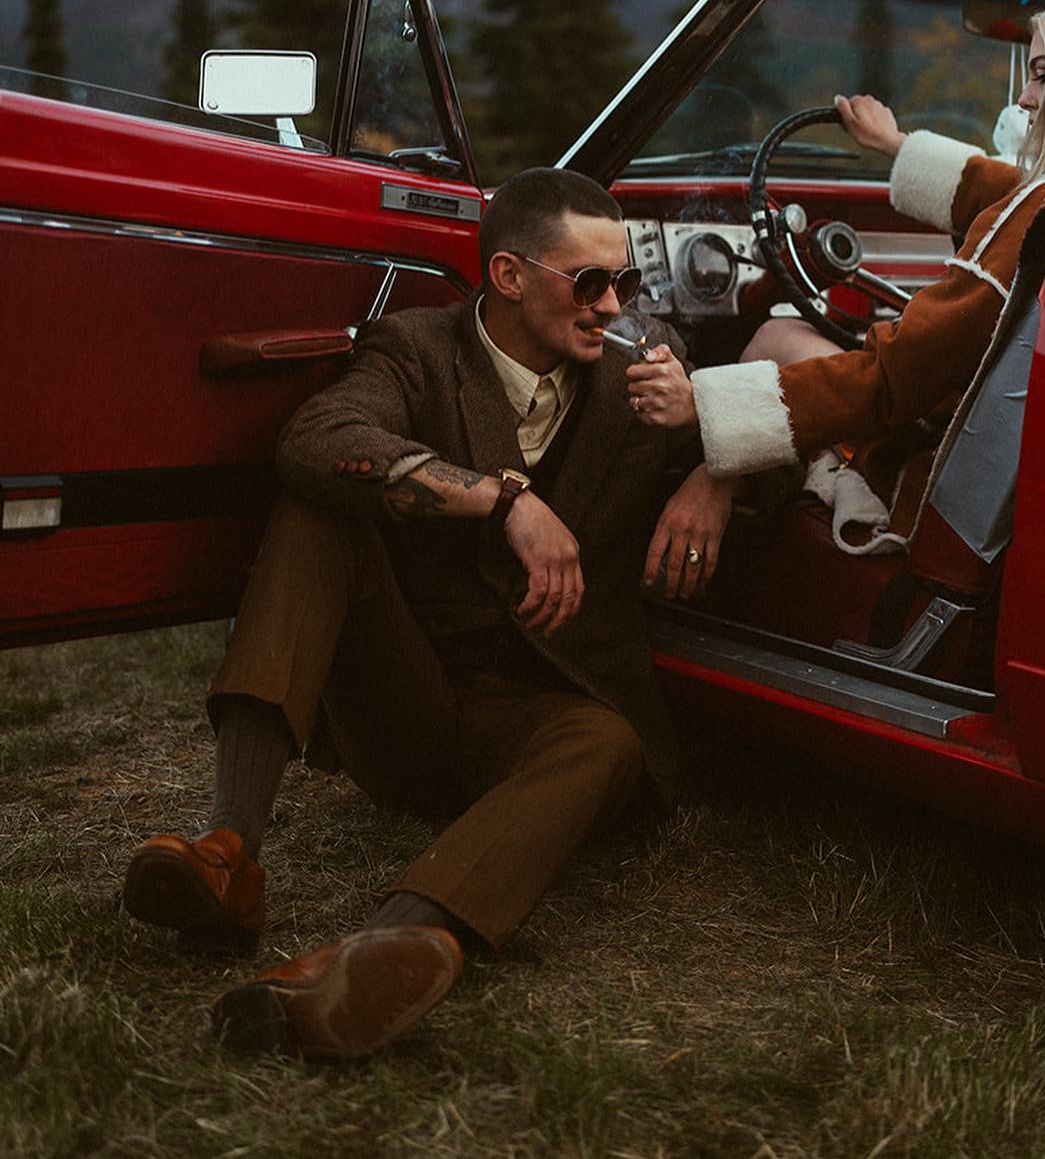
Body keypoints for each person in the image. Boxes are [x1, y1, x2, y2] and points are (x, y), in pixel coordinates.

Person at [122, 168, 727, 1060]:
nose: (611, 305)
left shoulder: (643, 377)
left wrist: (717, 464)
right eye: (588, 281)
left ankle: (385, 949)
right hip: (406, 700)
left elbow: (789, 440)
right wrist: (505, 500)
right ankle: (229, 852)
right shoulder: (416, 346)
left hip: (541, 708)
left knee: (610, 743)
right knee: (317, 511)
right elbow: (317, 442)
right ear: (511, 276)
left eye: (626, 282)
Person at [626, 0, 1045, 521]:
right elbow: (1014, 193)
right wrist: (896, 147)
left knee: (773, 339)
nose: (1024, 100)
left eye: (1042, 73)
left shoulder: (1040, 217)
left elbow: (891, 382)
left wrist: (705, 410)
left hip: (930, 474)